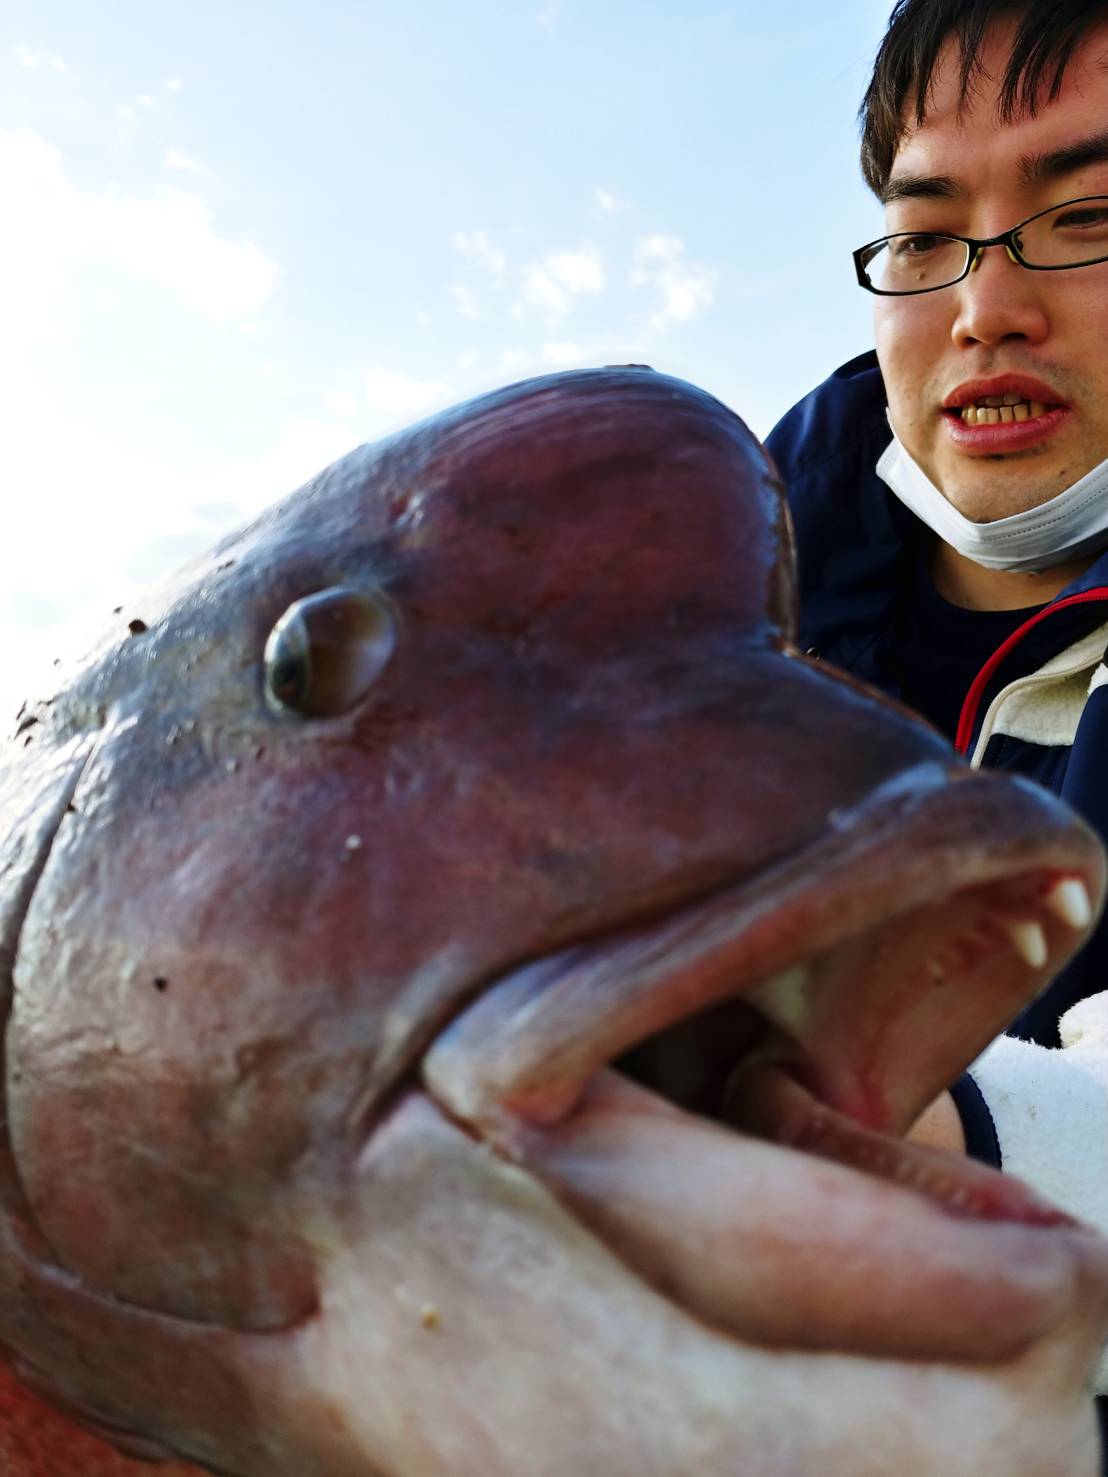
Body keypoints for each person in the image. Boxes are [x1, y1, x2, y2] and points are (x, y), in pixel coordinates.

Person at [766, 0, 1108, 1430]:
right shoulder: (728, 608)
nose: (987, 305)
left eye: (1086, 215)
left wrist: (901, 1137)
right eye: (925, 236)